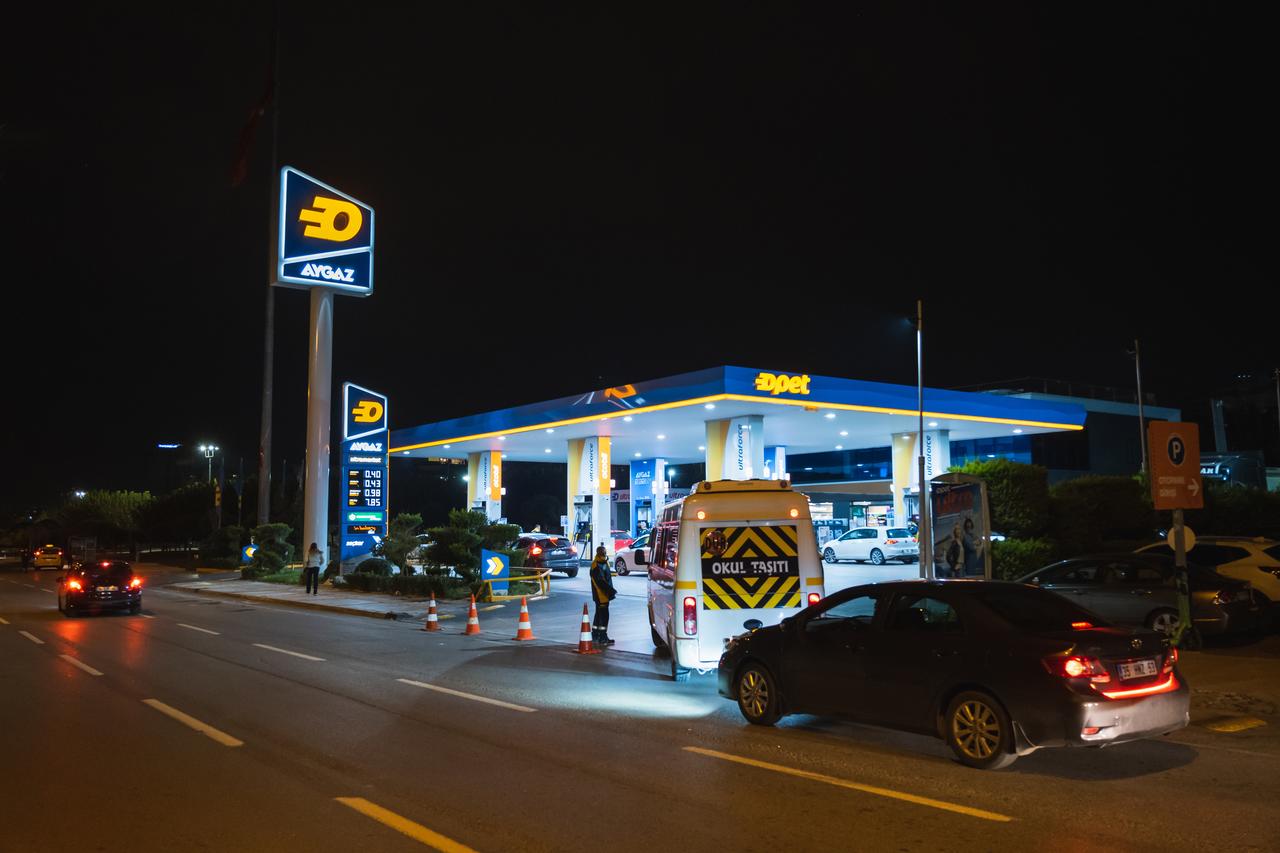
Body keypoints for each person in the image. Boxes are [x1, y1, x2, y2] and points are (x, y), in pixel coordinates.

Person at [589, 544, 617, 646]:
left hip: (602, 595)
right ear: (599, 553)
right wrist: (611, 591)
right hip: (601, 595)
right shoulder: (597, 565)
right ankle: (602, 637)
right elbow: (600, 582)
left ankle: (596, 635)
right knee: (604, 616)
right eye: (603, 552)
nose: (604, 554)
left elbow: (605, 576)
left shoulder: (603, 562)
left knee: (599, 615)